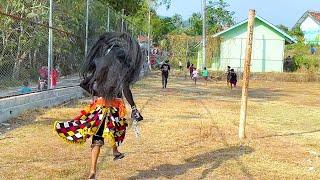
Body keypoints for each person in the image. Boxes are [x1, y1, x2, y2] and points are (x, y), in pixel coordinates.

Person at [54, 32, 144, 180]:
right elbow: (126, 89)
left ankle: (93, 171)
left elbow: (85, 84)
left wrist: (97, 95)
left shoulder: (100, 64)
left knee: (102, 135)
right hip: (113, 108)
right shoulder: (122, 67)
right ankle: (113, 154)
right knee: (114, 129)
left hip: (100, 107)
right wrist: (134, 108)